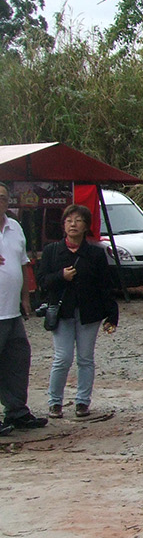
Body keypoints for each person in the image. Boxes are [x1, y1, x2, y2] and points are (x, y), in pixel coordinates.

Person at [37, 203, 120, 421]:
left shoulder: (95, 254)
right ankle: (54, 402)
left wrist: (112, 314)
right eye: (68, 220)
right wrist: (60, 276)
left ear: (86, 226)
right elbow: (42, 282)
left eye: (78, 220)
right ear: (63, 225)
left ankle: (83, 401)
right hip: (62, 312)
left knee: (85, 358)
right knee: (62, 358)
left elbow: (105, 285)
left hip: (88, 314)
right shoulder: (52, 252)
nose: (73, 224)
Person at [0, 183, 41, 434]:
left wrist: (25, 298)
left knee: (18, 360)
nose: (0, 201)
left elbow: (24, 264)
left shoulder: (15, 227)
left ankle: (17, 411)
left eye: (4, 197)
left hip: (11, 310)